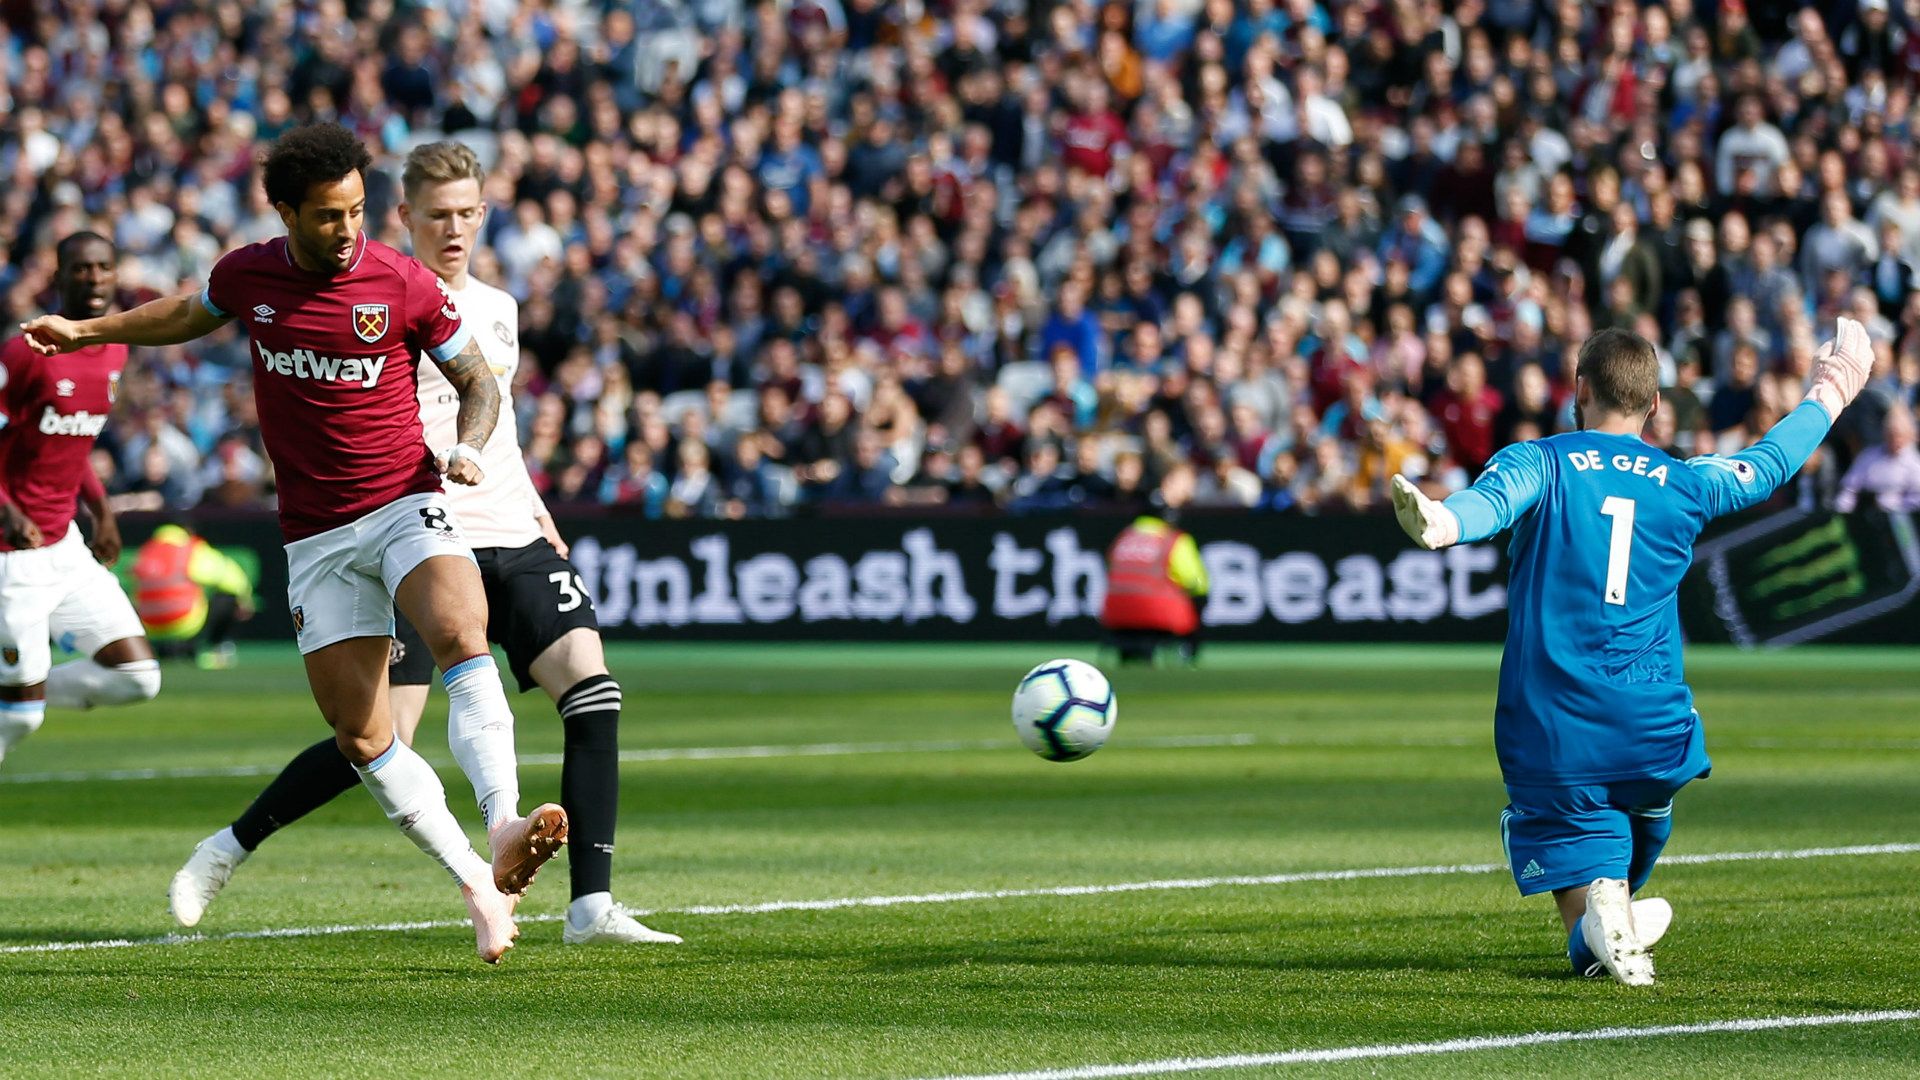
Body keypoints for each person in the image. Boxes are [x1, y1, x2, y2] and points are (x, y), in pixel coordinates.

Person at [20, 123, 561, 964]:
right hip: (314, 534)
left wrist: (466, 446)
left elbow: (477, 382)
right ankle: (475, 883)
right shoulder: (249, 274)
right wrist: (90, 332)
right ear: (285, 213)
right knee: (363, 737)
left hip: (404, 499)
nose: (347, 230)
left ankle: (502, 824)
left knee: (460, 632)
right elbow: (184, 314)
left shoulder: (402, 279)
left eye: (355, 212)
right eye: (327, 216)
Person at [168, 141, 678, 946]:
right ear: (404, 217)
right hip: (406, 523)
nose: (455, 228)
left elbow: (491, 417)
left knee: (595, 691)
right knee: (373, 738)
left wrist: (536, 505)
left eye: (469, 213)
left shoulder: (500, 309)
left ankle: (588, 904)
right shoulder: (377, 289)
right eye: (437, 214)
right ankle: (232, 844)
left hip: (501, 526)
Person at [1389, 319, 1873, 986]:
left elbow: (1491, 503)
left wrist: (1445, 520)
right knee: (1637, 817)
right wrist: (1834, 384)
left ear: (1578, 389)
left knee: (1567, 848)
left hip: (1555, 721)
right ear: (1652, 406)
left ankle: (1597, 915)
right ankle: (1612, 912)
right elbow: (1771, 463)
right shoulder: (1684, 481)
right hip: (1654, 727)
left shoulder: (1542, 460)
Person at [0, 231, 161, 764]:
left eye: (103, 267)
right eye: (81, 268)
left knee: (137, 678)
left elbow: (74, 440)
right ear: (59, 277)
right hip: (12, 556)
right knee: (20, 718)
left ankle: (20, 688)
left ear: (116, 274)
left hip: (64, 547)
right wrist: (7, 508)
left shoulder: (114, 345)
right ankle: (16, 697)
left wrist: (102, 511)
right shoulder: (23, 353)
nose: (93, 278)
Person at [1100, 463, 1208, 665]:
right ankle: (1189, 657)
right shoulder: (1174, 539)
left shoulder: (1124, 537)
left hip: (1116, 613)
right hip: (1160, 614)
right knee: (1197, 600)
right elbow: (1196, 582)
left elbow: (1110, 570)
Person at [131, 521, 257, 669]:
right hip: (184, 624)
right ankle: (217, 651)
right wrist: (246, 598)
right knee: (229, 597)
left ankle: (164, 649)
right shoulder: (191, 548)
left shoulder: (147, 550)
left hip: (150, 627)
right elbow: (230, 577)